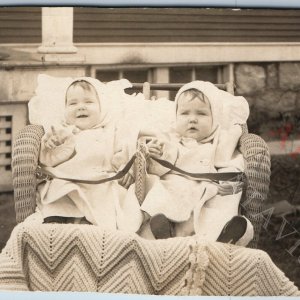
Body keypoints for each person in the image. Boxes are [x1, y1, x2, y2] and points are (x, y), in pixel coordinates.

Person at [138, 81, 253, 246]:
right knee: (163, 197)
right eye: (185, 113)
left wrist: (230, 185)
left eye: (201, 114)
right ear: (175, 117)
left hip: (208, 191)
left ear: (214, 118)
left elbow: (232, 165)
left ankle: (223, 235)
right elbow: (159, 168)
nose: (192, 119)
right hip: (176, 186)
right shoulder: (170, 138)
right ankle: (164, 231)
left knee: (221, 206)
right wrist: (156, 154)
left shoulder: (220, 140)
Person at [37, 77, 142, 231]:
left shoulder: (110, 131)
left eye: (88, 102)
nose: (81, 107)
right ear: (64, 109)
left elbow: (125, 149)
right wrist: (51, 146)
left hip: (99, 182)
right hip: (67, 180)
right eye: (73, 103)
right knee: (57, 194)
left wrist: (126, 168)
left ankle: (89, 226)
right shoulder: (64, 132)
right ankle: (55, 223)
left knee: (105, 204)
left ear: (102, 107)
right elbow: (50, 159)